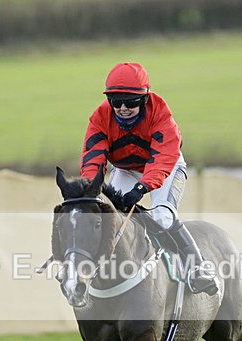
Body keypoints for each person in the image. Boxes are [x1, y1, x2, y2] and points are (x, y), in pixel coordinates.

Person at [80, 62, 219, 295]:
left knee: (162, 216)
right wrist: (90, 186)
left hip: (166, 166)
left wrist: (142, 187)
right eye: (116, 102)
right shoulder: (100, 117)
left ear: (145, 99)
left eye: (131, 102)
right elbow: (93, 157)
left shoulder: (161, 113)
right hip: (125, 169)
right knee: (108, 216)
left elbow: (163, 157)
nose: (123, 108)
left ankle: (198, 268)